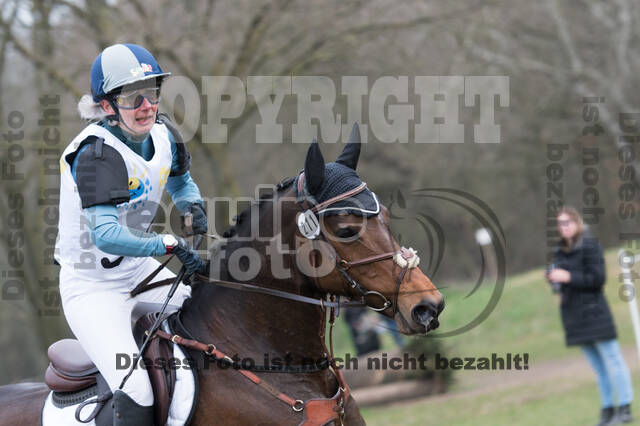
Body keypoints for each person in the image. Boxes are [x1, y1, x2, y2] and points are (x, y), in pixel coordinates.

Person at [55, 43, 207, 425]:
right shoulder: (95, 155)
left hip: (137, 273)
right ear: (107, 106)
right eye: (130, 96)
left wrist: (192, 207)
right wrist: (168, 243)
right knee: (135, 386)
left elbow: (181, 182)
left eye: (151, 92)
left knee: (209, 318)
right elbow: (106, 235)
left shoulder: (164, 133)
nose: (146, 105)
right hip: (92, 289)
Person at [547, 207, 633, 426]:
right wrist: (554, 279)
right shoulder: (559, 251)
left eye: (567, 222)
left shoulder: (590, 245)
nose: (563, 227)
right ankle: (607, 410)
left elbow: (598, 279)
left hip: (595, 314)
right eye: (560, 223)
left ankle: (625, 408)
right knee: (598, 368)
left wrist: (568, 276)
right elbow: (561, 284)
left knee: (613, 360)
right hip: (573, 317)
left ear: (577, 223)